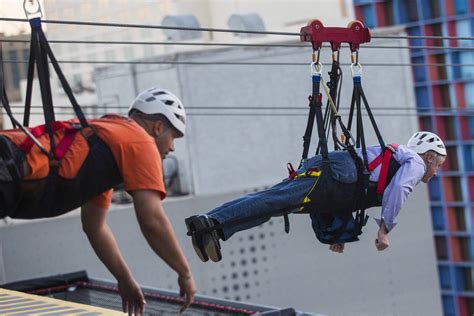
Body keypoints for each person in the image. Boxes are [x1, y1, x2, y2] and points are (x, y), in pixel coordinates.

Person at [0, 87, 196, 314]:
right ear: (158, 127)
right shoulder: (141, 143)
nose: (172, 147)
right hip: (8, 170)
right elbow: (152, 220)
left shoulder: (106, 142)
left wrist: (124, 279)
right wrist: (185, 272)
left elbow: (95, 227)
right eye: (173, 137)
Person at [186, 131, 447, 262]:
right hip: (333, 176)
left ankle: (213, 227)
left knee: (273, 202)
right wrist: (385, 228)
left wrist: (338, 234)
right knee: (274, 201)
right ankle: (211, 222)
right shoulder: (415, 163)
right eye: (438, 165)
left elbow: (356, 191)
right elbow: (399, 189)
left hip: (333, 177)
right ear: (430, 156)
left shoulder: (398, 160)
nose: (435, 172)